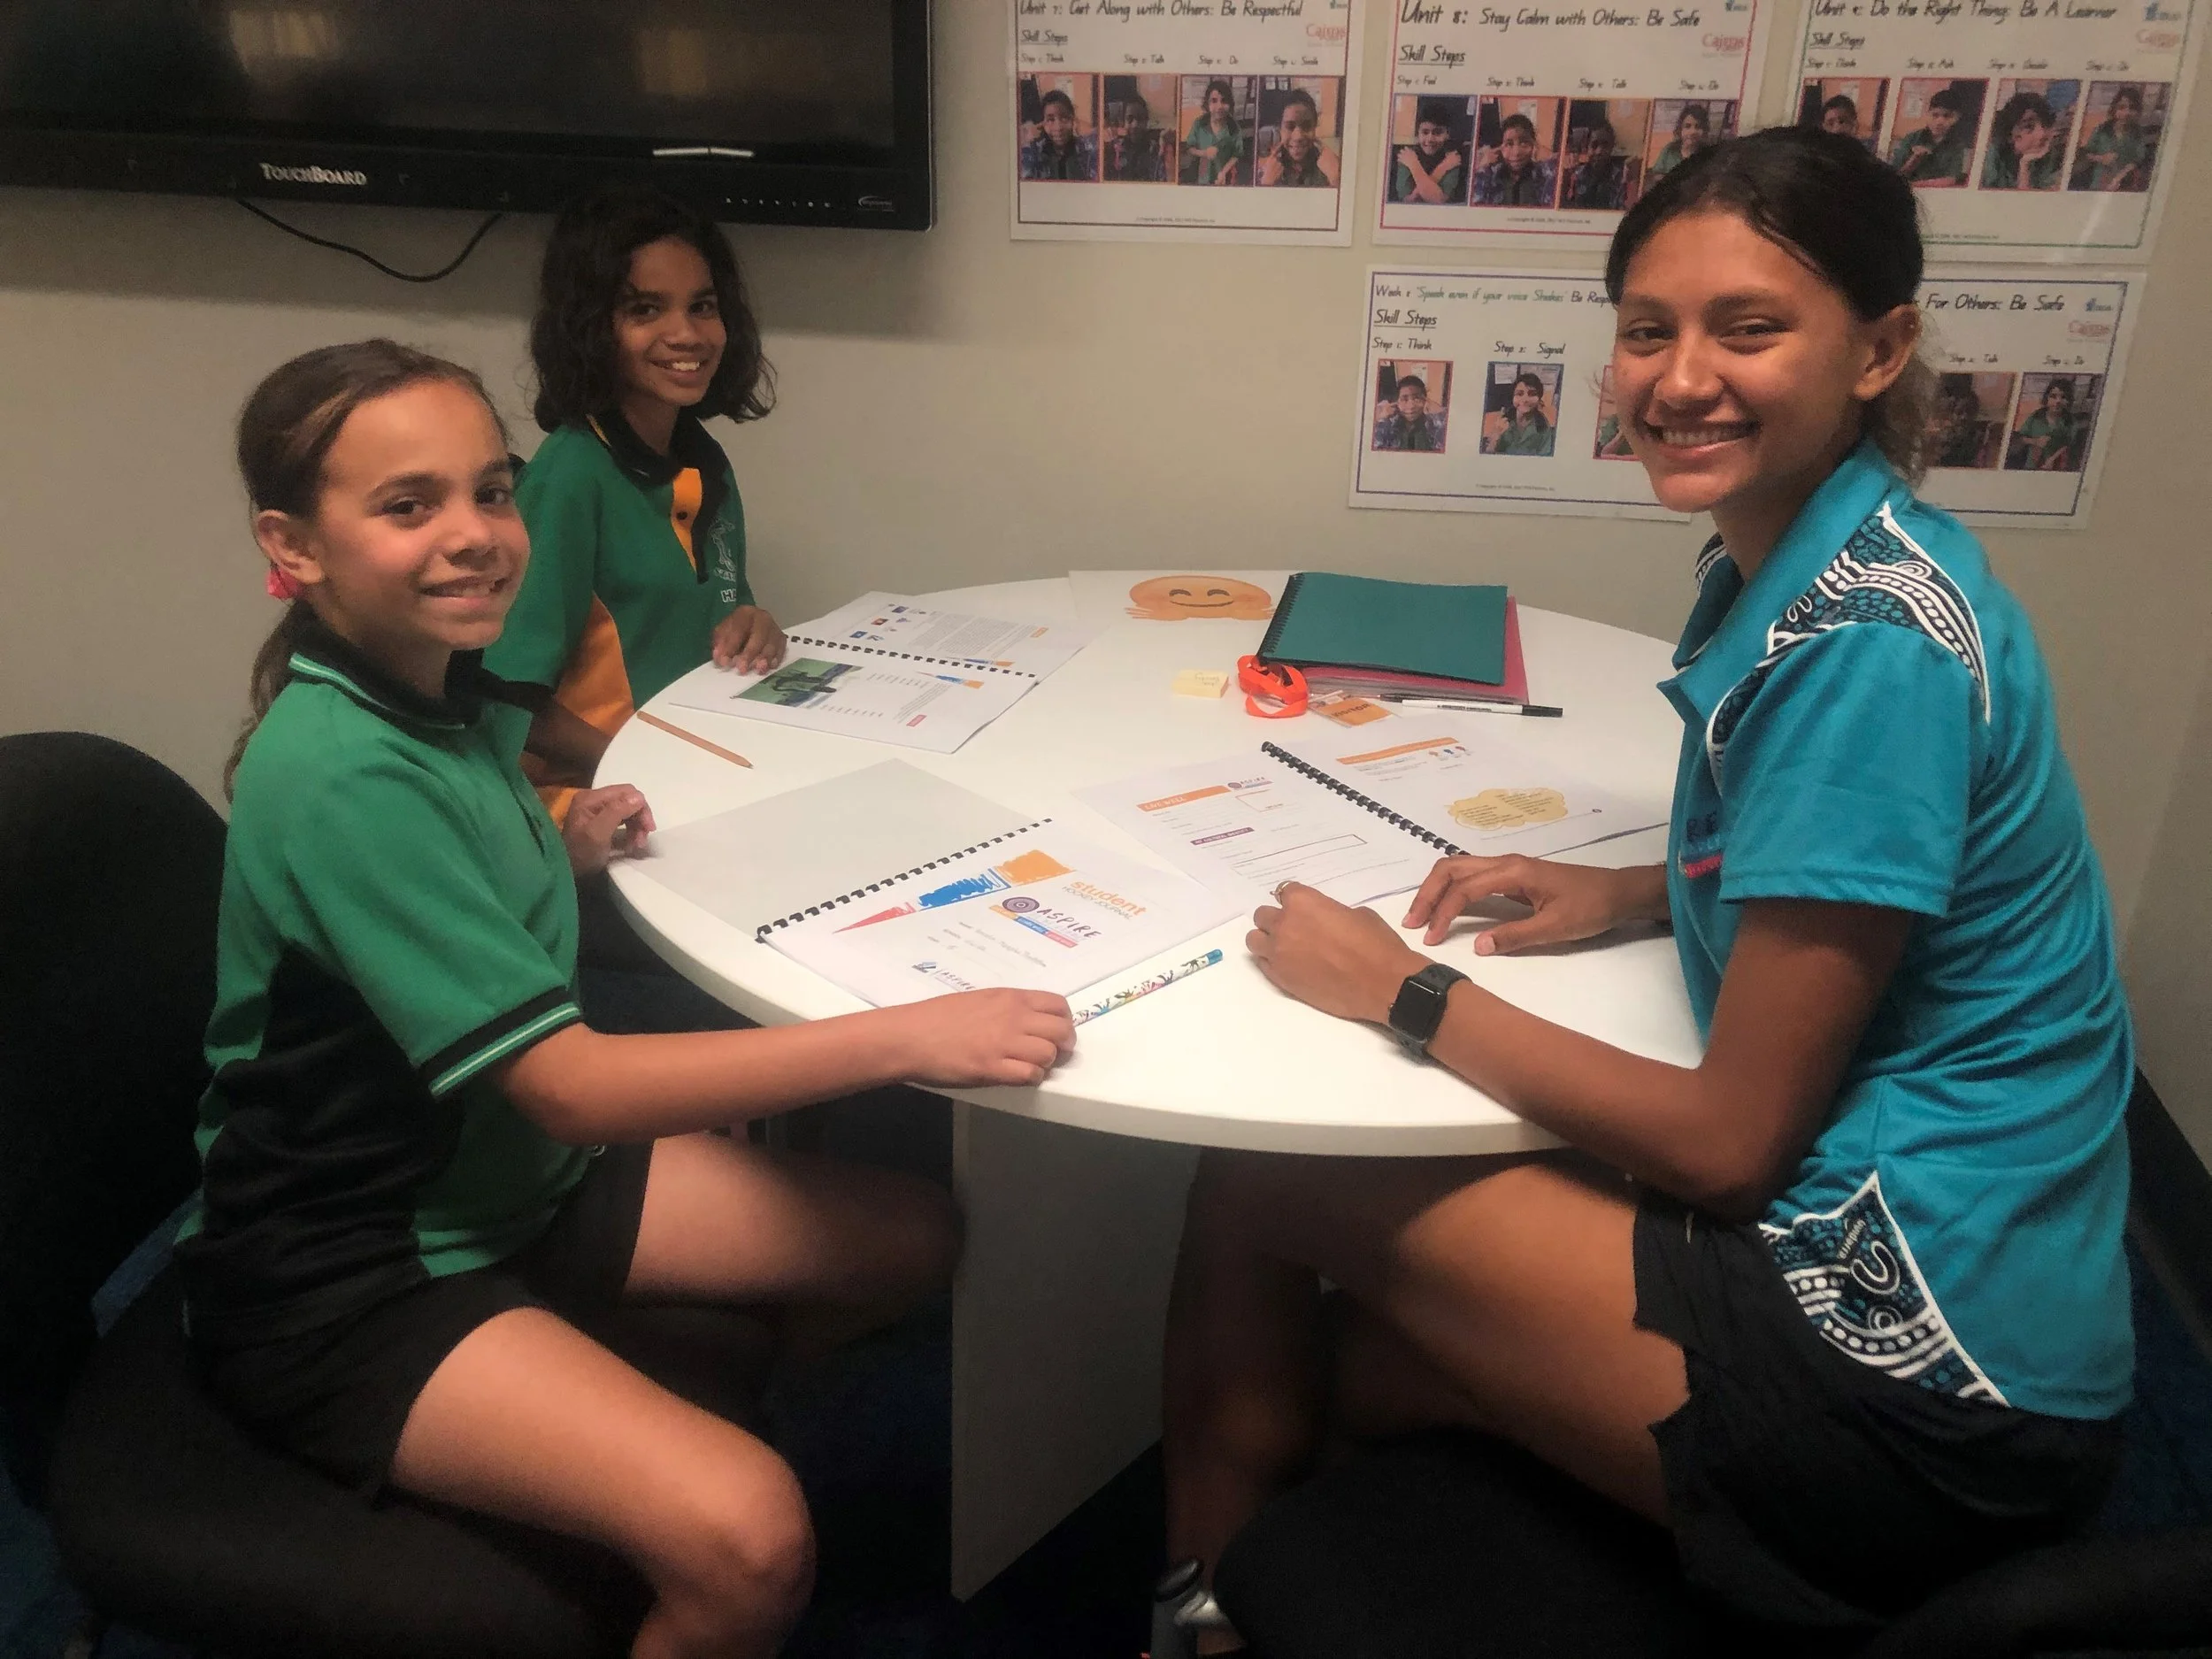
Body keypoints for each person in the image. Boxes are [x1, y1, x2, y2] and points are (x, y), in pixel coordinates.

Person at [1164, 127, 2131, 1653]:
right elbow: (1854, 868)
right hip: (2003, 1291)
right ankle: (1262, 1576)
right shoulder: (1829, 558)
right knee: (1347, 1374)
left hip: (1929, 1399)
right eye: (1648, 331)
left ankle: (1196, 1619)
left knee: (1259, 1182)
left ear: (1880, 349)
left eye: (1751, 329)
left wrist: (1402, 989)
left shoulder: (1863, 647)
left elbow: (1731, 1147)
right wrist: (1621, 894)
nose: (1683, 378)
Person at [188, 340, 1076, 1659]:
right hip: (351, 1265)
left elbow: (449, 885)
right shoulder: (337, 767)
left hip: (507, 1181)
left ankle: (614, 1430)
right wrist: (905, 1036)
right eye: (406, 504)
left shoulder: (443, 688)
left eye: (491, 492)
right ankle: (657, 1493)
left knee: (911, 1236)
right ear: (292, 542)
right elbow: (570, 1081)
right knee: (754, 1533)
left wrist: (563, 836)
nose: (476, 537)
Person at [488, 186, 782, 833]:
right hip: (590, 812)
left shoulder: (705, 462)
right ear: (592, 326)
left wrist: (753, 623)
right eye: (646, 309)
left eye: (702, 306)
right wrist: (645, 763)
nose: (687, 334)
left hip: (689, 776)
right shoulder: (568, 478)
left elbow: (725, 611)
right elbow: (507, 696)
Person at [1889, 85, 1975, 185]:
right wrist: (1915, 159)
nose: (1940, 122)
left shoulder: (1957, 144)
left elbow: (1950, 179)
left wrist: (1915, 185)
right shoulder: (1912, 138)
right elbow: (1895, 176)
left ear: (1956, 117)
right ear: (1928, 114)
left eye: (1947, 116)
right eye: (1935, 115)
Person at [2071, 84, 2149, 190]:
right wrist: (2101, 158)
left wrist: (2118, 178)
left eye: (2131, 108)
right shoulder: (2102, 130)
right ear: (2114, 108)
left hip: (2125, 186)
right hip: (2098, 184)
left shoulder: (2137, 134)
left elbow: (2137, 160)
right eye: (2122, 108)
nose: (2126, 113)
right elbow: (2086, 153)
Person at [1985, 89, 2068, 189]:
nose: (2042, 134)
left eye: (2046, 124)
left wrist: (2025, 165)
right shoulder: (1991, 157)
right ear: (2009, 135)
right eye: (2028, 126)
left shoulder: (2052, 158)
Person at [1471, 111, 1558, 206]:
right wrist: (1482, 167)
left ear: (1534, 145)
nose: (1516, 152)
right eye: (1509, 144)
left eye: (1524, 143)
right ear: (1501, 147)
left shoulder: (1542, 174)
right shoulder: (1489, 176)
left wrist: (1546, 153)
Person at [1258, 88, 1339, 187]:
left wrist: (1336, 181)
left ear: (1315, 126)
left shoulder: (1331, 167)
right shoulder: (1266, 169)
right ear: (1279, 128)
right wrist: (1266, 184)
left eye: (1307, 126)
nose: (1298, 137)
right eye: (1289, 127)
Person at [1393, 102, 1467, 204]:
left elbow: (1438, 200)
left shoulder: (1452, 157)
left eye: (1437, 132)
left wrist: (1414, 166)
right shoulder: (1407, 156)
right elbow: (1408, 201)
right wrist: (1443, 167)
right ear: (1417, 133)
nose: (1430, 139)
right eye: (1425, 132)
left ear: (1447, 134)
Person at [1021, 86, 1098, 180]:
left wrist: (1085, 128)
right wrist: (1029, 141)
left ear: (1073, 119)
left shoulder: (1084, 149)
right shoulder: (1036, 153)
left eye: (1064, 118)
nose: (1058, 128)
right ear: (1042, 123)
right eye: (1050, 120)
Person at [2009, 377, 2085, 470]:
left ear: (2069, 401)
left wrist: (2052, 459)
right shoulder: (2036, 416)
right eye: (2053, 396)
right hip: (2031, 467)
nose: (2058, 401)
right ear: (2046, 398)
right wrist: (2035, 441)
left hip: (2057, 469)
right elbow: (2020, 438)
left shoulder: (2071, 422)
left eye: (2063, 397)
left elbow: (2069, 446)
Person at [1183, 79, 1247, 185]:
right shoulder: (1199, 124)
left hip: (1225, 178)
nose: (1219, 106)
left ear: (1230, 104)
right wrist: (1204, 153)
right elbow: (1190, 148)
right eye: (1214, 101)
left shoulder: (1234, 128)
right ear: (1207, 104)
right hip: (1202, 177)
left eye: (1224, 101)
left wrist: (1224, 172)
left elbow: (1237, 154)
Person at [1562, 119, 1632, 210]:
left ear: (1612, 147)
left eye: (1605, 145)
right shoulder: (1576, 176)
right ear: (1586, 148)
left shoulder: (1621, 177)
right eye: (1594, 146)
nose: (1599, 151)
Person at [1486, 371, 1556, 456]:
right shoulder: (1502, 421)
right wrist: (1495, 437)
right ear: (1512, 397)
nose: (1525, 399)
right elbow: (1488, 455)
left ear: (1539, 399)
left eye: (1532, 394)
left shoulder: (1543, 427)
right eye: (1519, 394)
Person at [1104, 90, 1169, 181]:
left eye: (1140, 119)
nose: (1135, 125)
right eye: (1130, 119)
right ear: (1122, 122)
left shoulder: (1155, 150)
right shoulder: (1114, 150)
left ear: (1147, 122)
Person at [1372, 376, 1447, 451]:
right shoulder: (1389, 426)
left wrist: (1440, 414)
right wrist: (1383, 420)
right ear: (1397, 403)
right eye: (1404, 399)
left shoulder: (1433, 425)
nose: (1411, 406)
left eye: (1416, 398)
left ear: (1425, 400)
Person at [1647, 102, 1711, 178]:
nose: (1693, 132)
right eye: (1687, 126)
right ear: (1680, 129)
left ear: (1705, 130)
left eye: (1698, 127)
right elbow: (1657, 174)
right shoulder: (1670, 150)